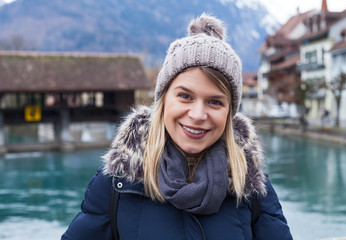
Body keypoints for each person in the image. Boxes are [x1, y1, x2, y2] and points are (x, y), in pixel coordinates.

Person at [62, 13, 292, 240]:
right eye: (185, 96)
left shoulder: (252, 188)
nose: (198, 114)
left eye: (215, 102)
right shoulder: (116, 183)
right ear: (163, 100)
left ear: (229, 112)